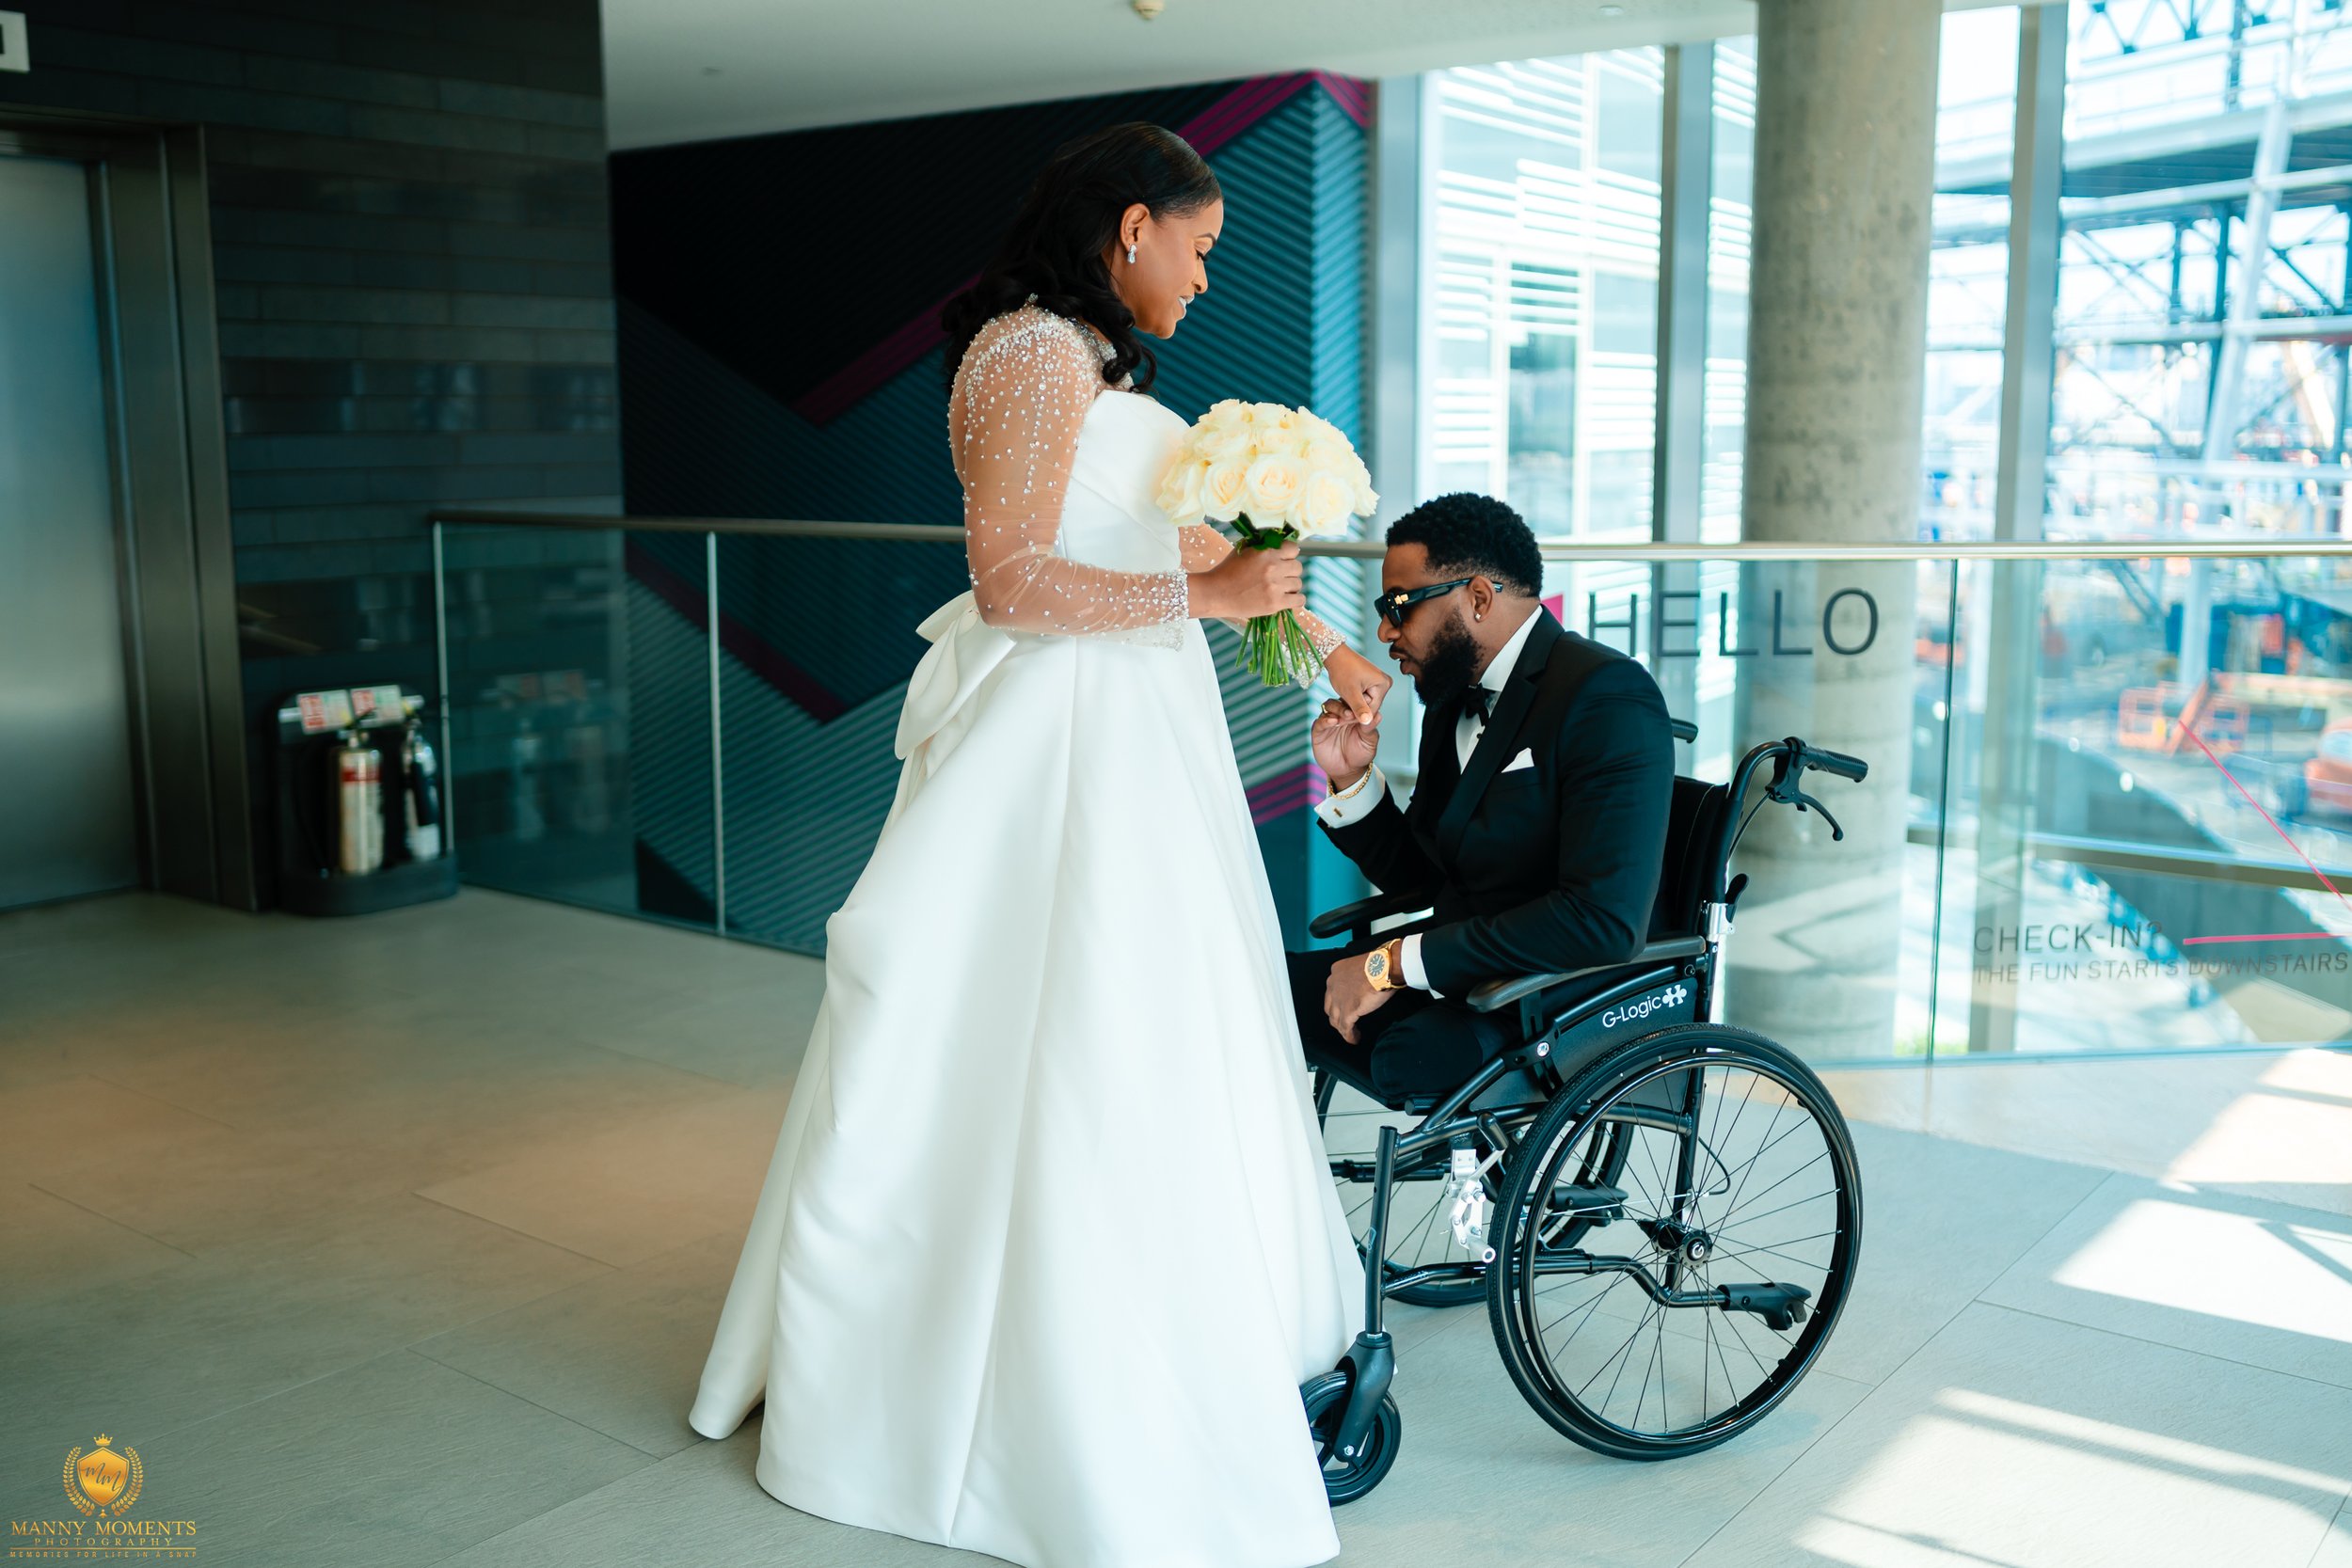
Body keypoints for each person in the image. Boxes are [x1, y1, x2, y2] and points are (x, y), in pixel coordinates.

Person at [688, 122, 1389, 1568]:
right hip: (1061, 747)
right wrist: (1207, 599)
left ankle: (1178, 1324)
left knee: (1144, 1031)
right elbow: (1011, 580)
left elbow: (1180, 554)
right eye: (1199, 247)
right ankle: (1032, 1390)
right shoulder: (1029, 351)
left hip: (1140, 735)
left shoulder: (1095, 364)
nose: (1205, 277)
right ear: (1131, 228)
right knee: (1059, 1034)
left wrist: (1324, 645)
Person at [1288, 493, 1677, 1101]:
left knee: (1407, 1057)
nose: (1385, 632)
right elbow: (1426, 875)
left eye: (1398, 606)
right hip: (1461, 969)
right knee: (1260, 986)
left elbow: (1602, 921)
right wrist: (1352, 779)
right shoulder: (1453, 698)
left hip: (1550, 999)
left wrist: (1391, 965)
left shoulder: (1606, 694)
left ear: (1477, 598)